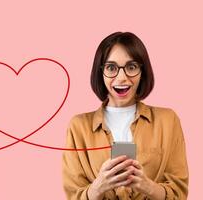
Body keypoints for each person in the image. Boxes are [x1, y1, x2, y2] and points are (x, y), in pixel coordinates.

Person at [62, 32, 188, 200]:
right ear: (100, 72)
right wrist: (99, 187)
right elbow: (73, 195)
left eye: (131, 67)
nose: (121, 78)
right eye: (111, 68)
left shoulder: (168, 120)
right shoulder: (78, 126)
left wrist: (147, 186)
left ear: (142, 71)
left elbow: (179, 194)